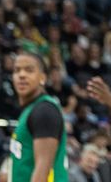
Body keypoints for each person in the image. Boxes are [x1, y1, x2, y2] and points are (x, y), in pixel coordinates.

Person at [9, 51, 68, 182]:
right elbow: (26, 169)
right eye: (17, 70)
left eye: (29, 70)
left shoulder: (44, 111)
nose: (21, 75)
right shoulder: (31, 110)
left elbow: (42, 171)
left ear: (42, 78)